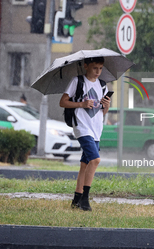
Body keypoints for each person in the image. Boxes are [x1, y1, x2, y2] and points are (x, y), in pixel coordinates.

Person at [59, 57, 111, 211]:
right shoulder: (78, 81)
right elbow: (63, 102)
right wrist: (81, 104)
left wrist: (106, 106)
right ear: (86, 66)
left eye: (100, 68)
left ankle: (76, 200)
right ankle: (85, 199)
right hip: (82, 127)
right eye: (95, 68)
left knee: (85, 164)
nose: (98, 72)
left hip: (96, 128)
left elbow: (103, 112)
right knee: (95, 160)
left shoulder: (102, 85)